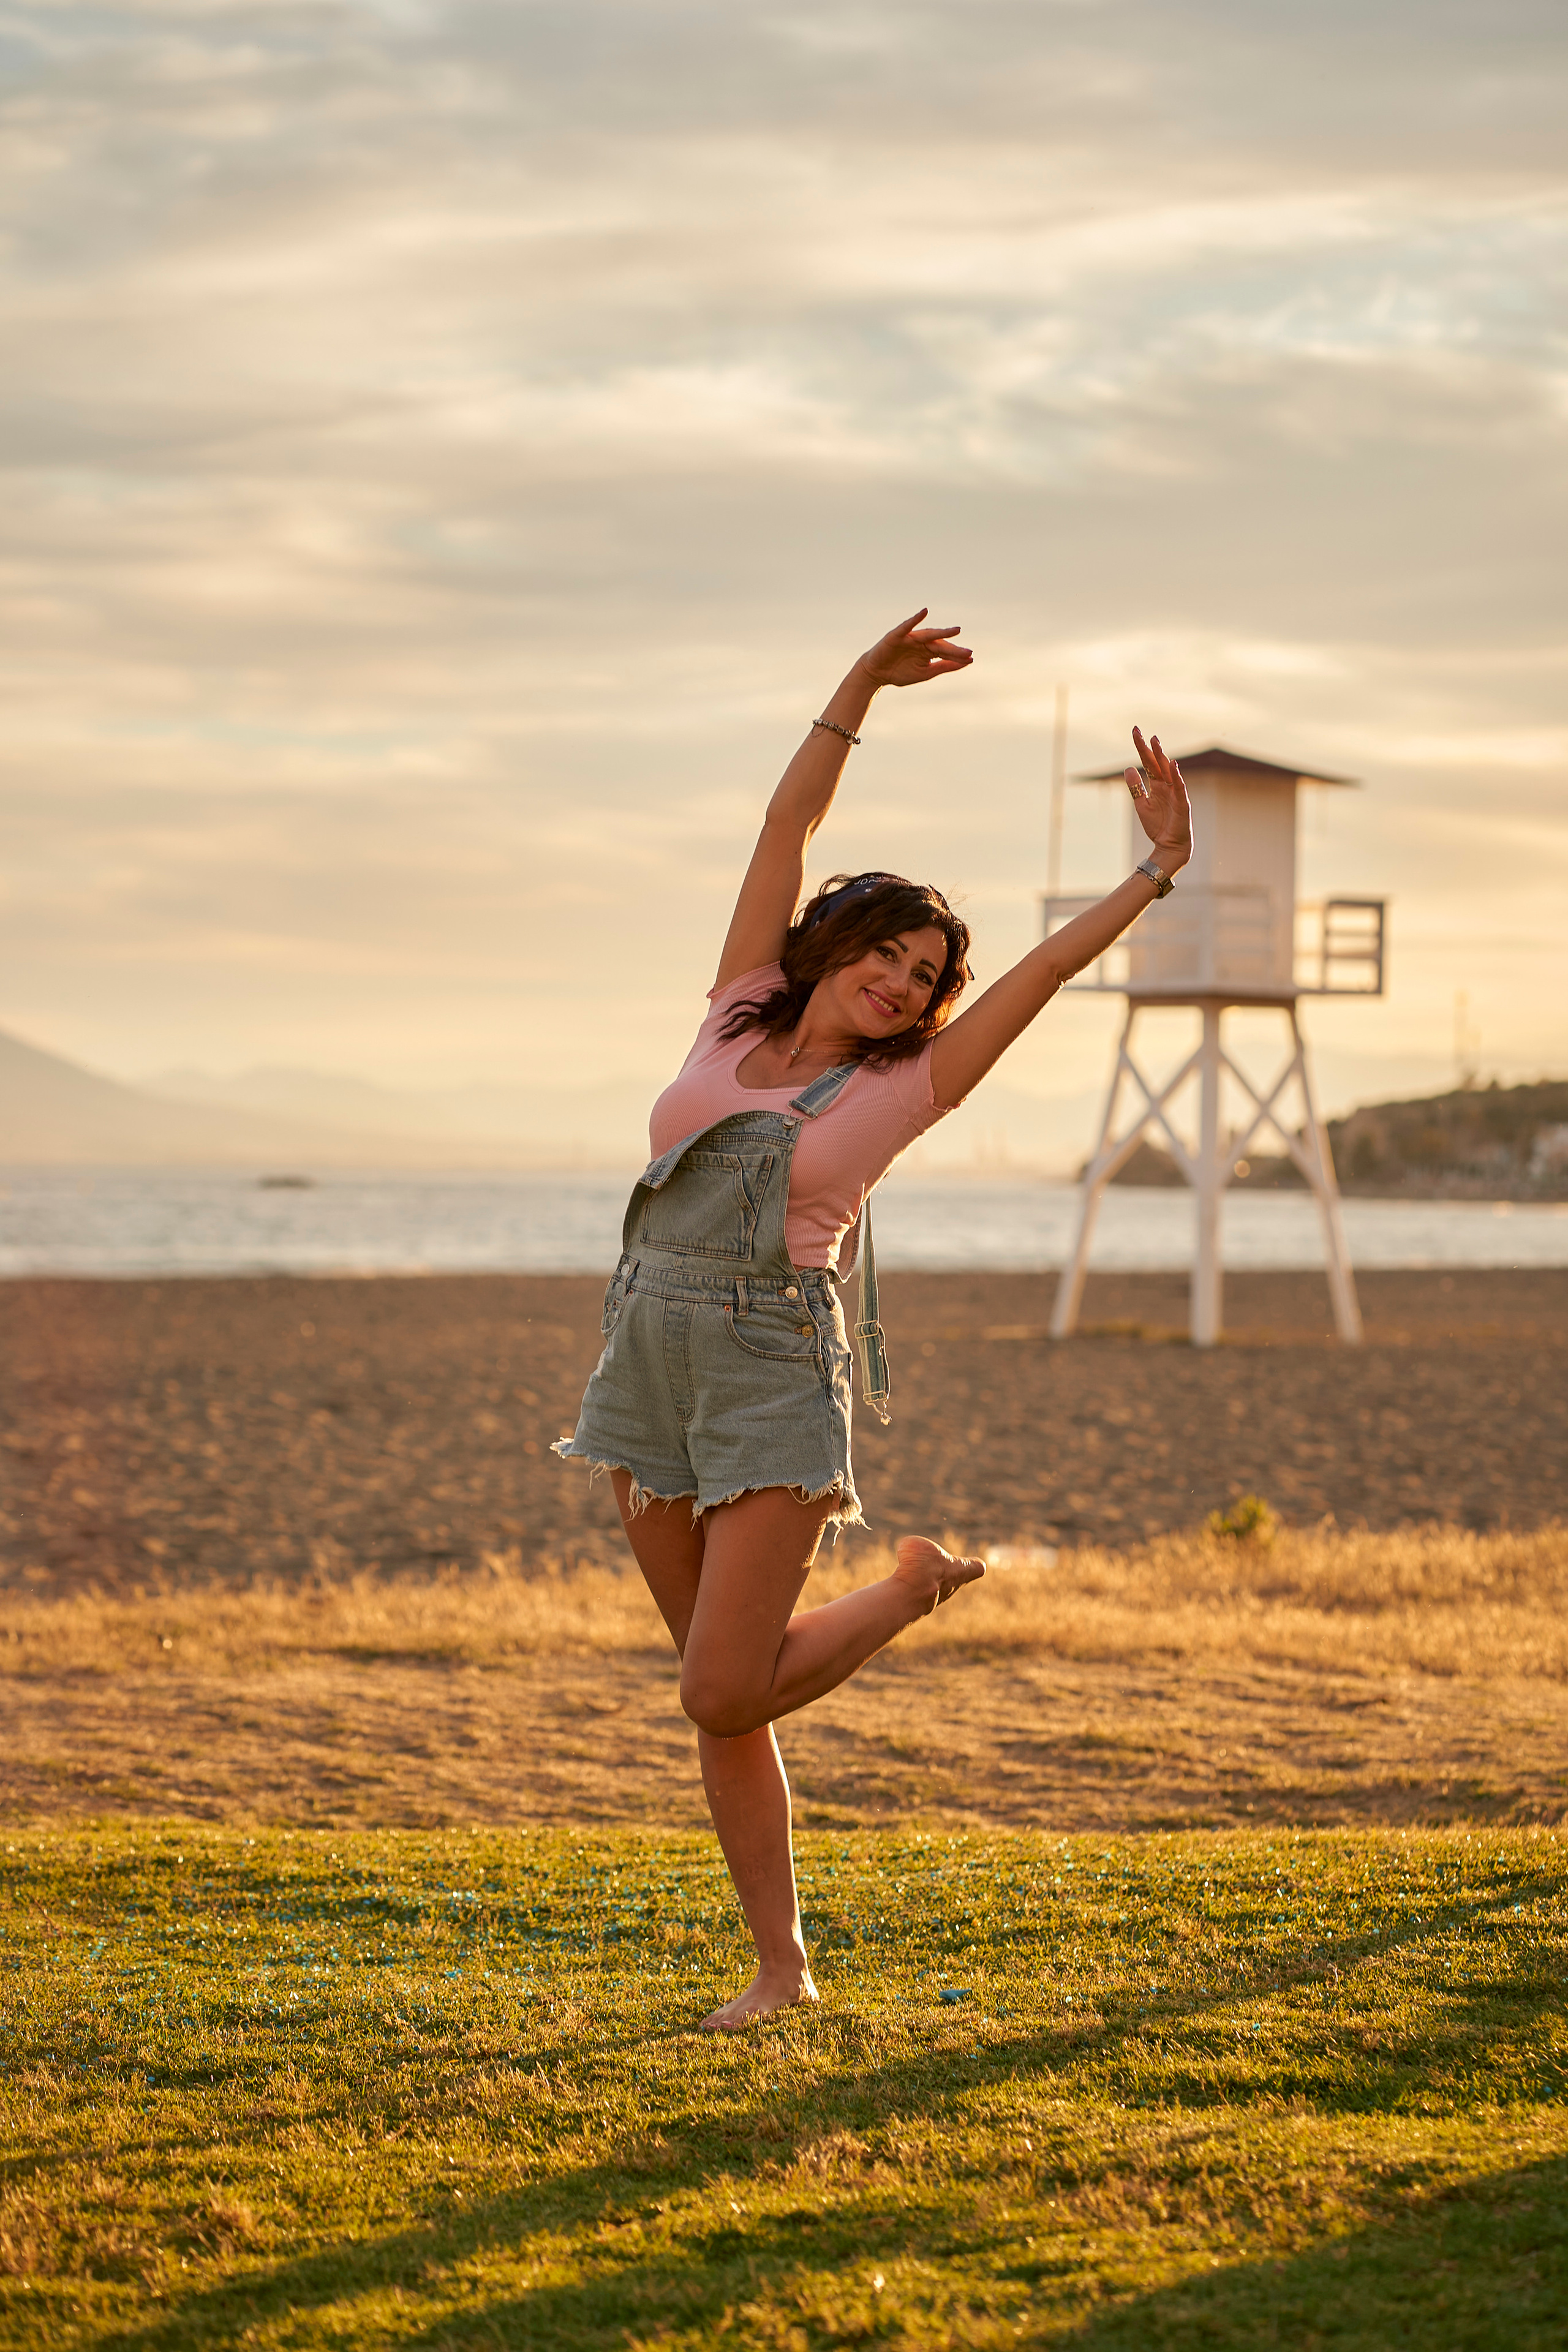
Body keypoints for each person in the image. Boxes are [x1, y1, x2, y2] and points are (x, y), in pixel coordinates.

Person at [555, 609, 1192, 2029]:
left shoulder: (904, 1092)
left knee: (719, 1692)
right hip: (642, 1362)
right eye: (891, 956)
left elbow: (1041, 974)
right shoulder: (732, 1015)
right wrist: (856, 686)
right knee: (721, 1697)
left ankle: (903, 1588)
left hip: (771, 1375)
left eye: (923, 979)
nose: (904, 985)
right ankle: (781, 1970)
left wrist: (1151, 873)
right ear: (837, 943)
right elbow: (782, 828)